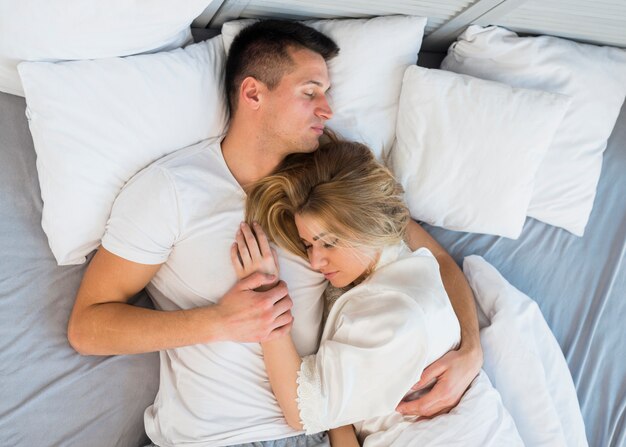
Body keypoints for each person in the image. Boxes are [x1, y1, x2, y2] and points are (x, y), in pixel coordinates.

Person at [67, 20, 482, 446]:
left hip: (317, 428)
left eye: (327, 93)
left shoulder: (330, 187)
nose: (327, 109)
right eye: (310, 92)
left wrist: (471, 351)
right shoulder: (172, 190)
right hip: (210, 438)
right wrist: (219, 322)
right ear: (252, 94)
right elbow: (87, 327)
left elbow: (438, 261)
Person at [233, 140, 522, 446]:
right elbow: (440, 260)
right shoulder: (388, 239)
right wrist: (471, 351)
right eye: (308, 245)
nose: (316, 262)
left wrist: (265, 293)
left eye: (329, 242)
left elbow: (300, 409)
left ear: (367, 222)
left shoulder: (388, 318)